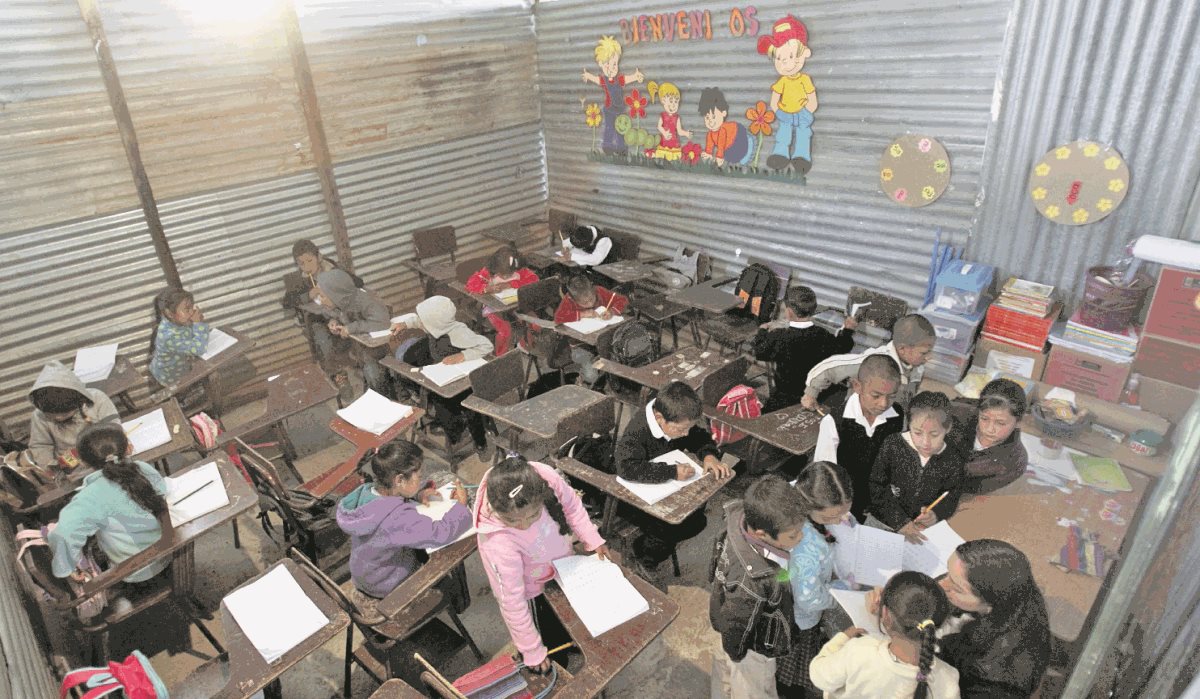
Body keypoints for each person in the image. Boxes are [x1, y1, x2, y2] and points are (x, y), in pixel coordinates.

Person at [474, 455, 610, 673]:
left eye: (534, 515)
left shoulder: (543, 477)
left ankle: (570, 642)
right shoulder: (497, 543)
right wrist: (531, 650)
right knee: (552, 642)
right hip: (535, 592)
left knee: (571, 619)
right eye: (512, 520)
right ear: (497, 510)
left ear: (541, 495)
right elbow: (511, 601)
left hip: (564, 568)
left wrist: (591, 538)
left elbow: (572, 506)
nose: (523, 524)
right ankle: (558, 662)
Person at [336, 439, 470, 612]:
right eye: (419, 477)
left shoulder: (367, 491)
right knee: (448, 558)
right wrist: (460, 507)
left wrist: (416, 494)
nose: (421, 479)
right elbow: (440, 533)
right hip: (386, 585)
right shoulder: (398, 518)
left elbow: (390, 504)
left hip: (366, 575)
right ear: (399, 480)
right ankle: (458, 604)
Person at [615, 381, 732, 577]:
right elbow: (626, 467)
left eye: (688, 428)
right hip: (635, 493)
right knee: (671, 526)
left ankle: (659, 543)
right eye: (681, 430)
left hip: (664, 486)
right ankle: (644, 553)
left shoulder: (676, 417)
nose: (685, 434)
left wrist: (708, 454)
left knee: (697, 517)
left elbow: (698, 436)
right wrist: (671, 472)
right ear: (660, 418)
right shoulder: (637, 431)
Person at [710, 474, 809, 699]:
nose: (801, 537)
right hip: (752, 648)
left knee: (726, 670)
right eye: (793, 535)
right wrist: (737, 654)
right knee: (754, 688)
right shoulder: (753, 581)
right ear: (763, 534)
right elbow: (738, 624)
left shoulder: (743, 517)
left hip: (731, 627)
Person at [48, 423, 169, 586]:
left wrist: (67, 567)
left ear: (83, 462)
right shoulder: (143, 469)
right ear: (129, 449)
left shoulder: (90, 497)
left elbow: (62, 535)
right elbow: (163, 494)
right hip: (166, 553)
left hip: (134, 572)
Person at [811, 571, 959, 698]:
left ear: (885, 614)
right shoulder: (948, 679)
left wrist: (842, 638)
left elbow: (819, 676)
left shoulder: (860, 651)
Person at [776, 461, 856, 697]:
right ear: (807, 506)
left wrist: (841, 518)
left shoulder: (795, 491)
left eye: (845, 510)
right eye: (833, 516)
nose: (842, 518)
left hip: (790, 593)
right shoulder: (808, 548)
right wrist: (841, 590)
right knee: (796, 666)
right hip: (799, 619)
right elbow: (808, 599)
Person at [938, 540, 1050, 699]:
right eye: (947, 573)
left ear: (990, 603)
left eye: (956, 588)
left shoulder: (991, 676)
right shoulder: (1019, 596)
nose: (942, 584)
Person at [392, 296, 494, 458]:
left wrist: (462, 355)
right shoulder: (435, 326)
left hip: (460, 378)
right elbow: (419, 321)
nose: (420, 322)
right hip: (440, 363)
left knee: (464, 407)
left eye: (423, 321)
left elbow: (487, 345)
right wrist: (405, 324)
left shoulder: (458, 333)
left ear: (435, 324)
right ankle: (426, 399)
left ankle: (480, 442)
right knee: (409, 359)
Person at [812, 354, 905, 522]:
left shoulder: (897, 415)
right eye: (876, 395)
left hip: (874, 495)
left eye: (891, 396)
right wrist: (838, 509)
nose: (884, 404)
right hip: (843, 497)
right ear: (857, 386)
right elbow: (825, 471)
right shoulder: (835, 421)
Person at [869, 391, 965, 542]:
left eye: (934, 435)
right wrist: (900, 522)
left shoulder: (953, 459)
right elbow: (876, 486)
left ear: (948, 428)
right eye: (918, 432)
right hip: (882, 520)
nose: (925, 442)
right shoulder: (893, 444)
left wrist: (936, 514)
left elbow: (951, 495)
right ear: (909, 425)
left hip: (920, 528)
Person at [753, 285, 856, 413]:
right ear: (814, 310)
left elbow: (759, 352)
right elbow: (843, 346)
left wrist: (762, 331)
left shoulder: (779, 337)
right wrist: (848, 330)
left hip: (786, 398)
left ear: (789, 312)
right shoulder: (823, 335)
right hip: (818, 396)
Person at [802, 314, 936, 412]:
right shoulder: (874, 362)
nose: (929, 357)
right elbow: (830, 366)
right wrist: (811, 393)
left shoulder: (917, 368)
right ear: (902, 348)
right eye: (924, 352)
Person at [280, 239, 362, 370]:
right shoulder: (301, 280)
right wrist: (308, 295)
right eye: (301, 264)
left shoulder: (332, 269)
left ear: (319, 257)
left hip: (342, 315)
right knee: (322, 340)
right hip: (320, 320)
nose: (307, 267)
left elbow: (358, 283)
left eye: (310, 261)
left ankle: (361, 364)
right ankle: (335, 375)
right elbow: (287, 302)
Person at [315, 269, 394, 398]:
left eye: (323, 296)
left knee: (372, 373)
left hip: (380, 348)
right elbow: (338, 312)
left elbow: (382, 323)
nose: (320, 300)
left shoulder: (367, 300)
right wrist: (334, 321)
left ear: (337, 295)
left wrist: (351, 328)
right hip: (360, 347)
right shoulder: (343, 301)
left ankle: (384, 400)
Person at [27, 361, 119, 471]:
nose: (58, 418)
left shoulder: (97, 399)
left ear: (79, 401)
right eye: (52, 415)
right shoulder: (39, 416)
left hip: (105, 455)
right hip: (70, 467)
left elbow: (114, 430)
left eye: (65, 413)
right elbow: (41, 446)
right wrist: (51, 468)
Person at [757, 15, 819, 173]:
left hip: (802, 112)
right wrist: (777, 110)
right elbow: (775, 98)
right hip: (785, 113)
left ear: (804, 53)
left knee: (803, 133)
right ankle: (780, 155)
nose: (785, 62)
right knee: (783, 134)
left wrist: (809, 109)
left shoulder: (805, 79)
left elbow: (811, 96)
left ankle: (802, 157)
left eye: (790, 56)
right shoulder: (782, 81)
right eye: (779, 58)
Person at [947, 379, 1029, 494]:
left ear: (1018, 422)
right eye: (984, 418)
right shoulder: (953, 415)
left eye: (1000, 423)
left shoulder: (1014, 462)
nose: (990, 429)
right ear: (978, 410)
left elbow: (971, 490)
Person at [554, 274, 628, 385]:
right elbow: (558, 317)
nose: (589, 303)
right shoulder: (568, 301)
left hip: (606, 342)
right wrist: (582, 314)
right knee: (591, 377)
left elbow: (622, 300)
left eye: (591, 299)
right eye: (584, 303)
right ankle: (582, 377)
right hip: (581, 346)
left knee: (620, 366)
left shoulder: (599, 291)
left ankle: (607, 377)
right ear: (573, 299)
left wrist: (612, 311)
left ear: (594, 290)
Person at [465, 246, 539, 356]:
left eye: (510, 274)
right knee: (505, 332)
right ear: (495, 267)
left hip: (516, 305)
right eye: (502, 274)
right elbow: (470, 284)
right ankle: (500, 355)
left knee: (535, 324)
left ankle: (524, 345)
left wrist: (510, 284)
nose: (505, 277)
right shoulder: (488, 272)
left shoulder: (520, 269)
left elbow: (534, 279)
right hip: (495, 308)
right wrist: (487, 288)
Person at [581, 35, 644, 155]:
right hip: (609, 109)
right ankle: (607, 146)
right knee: (610, 128)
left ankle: (622, 148)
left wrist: (636, 76)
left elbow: (627, 79)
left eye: (614, 64)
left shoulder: (619, 79)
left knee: (621, 129)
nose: (611, 68)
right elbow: (597, 79)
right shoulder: (604, 81)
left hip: (620, 109)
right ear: (601, 64)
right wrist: (589, 76)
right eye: (607, 65)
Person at [148, 288, 212, 387]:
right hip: (169, 379)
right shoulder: (169, 336)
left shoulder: (177, 320)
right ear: (169, 313)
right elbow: (199, 349)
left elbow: (189, 336)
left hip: (181, 366)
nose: (192, 312)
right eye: (187, 309)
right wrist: (198, 324)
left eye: (192, 307)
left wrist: (195, 324)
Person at [699, 87, 756, 167]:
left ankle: (750, 140)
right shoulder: (710, 134)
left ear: (724, 113)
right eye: (707, 117)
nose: (710, 121)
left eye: (714, 116)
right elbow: (710, 144)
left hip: (738, 134)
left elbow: (721, 146)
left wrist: (719, 158)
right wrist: (708, 154)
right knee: (730, 158)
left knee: (740, 158)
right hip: (729, 144)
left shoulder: (722, 130)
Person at [648, 82, 692, 161]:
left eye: (676, 102)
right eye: (671, 101)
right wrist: (664, 133)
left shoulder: (677, 118)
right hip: (665, 142)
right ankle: (654, 154)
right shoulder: (663, 116)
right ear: (663, 100)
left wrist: (686, 133)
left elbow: (679, 131)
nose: (673, 105)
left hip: (674, 143)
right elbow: (659, 126)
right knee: (663, 154)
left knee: (675, 157)